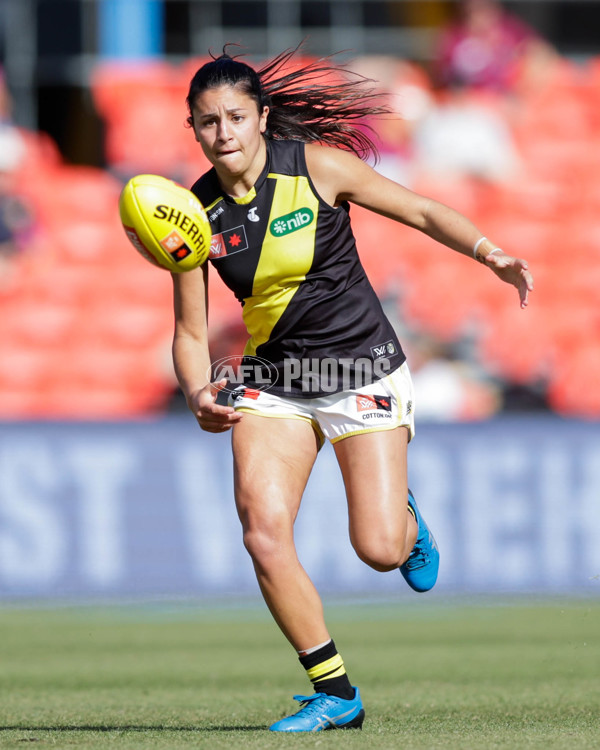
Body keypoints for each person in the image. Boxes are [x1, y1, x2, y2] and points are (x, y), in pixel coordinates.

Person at [171, 46, 533, 732]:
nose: (224, 134)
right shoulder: (192, 214)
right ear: (193, 128)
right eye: (209, 122)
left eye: (236, 118)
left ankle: (405, 519)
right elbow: (190, 333)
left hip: (359, 369)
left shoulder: (314, 168)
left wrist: (491, 253)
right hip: (276, 380)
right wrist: (196, 392)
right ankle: (335, 692)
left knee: (380, 550)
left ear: (262, 117)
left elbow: (421, 211)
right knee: (263, 533)